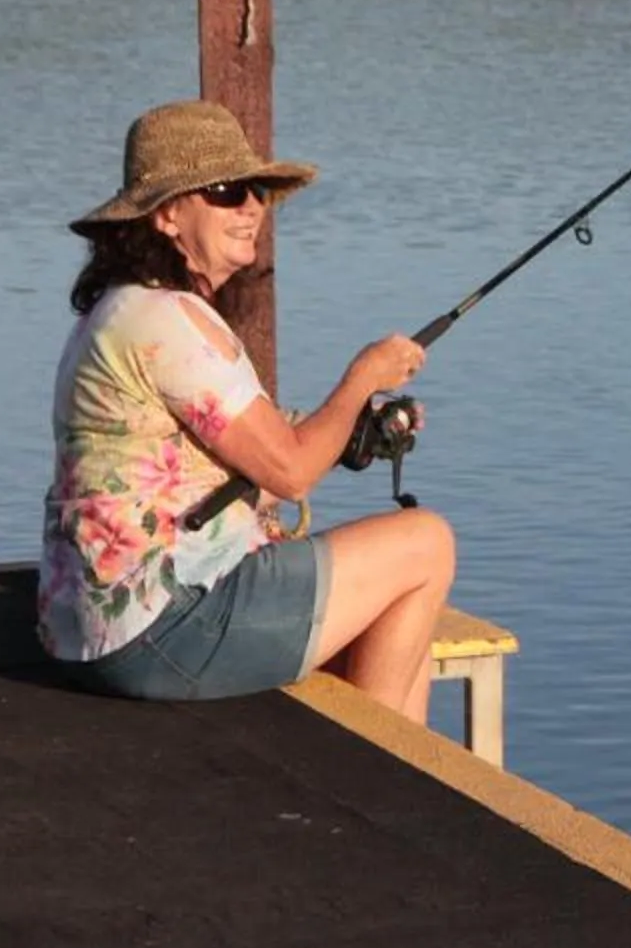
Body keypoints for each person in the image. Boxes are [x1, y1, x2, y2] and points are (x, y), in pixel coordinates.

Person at [41, 99, 456, 723]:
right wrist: (363, 377)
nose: (253, 208)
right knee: (426, 544)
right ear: (168, 215)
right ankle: (385, 780)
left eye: (257, 191)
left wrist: (349, 430)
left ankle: (417, 774)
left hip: (99, 629)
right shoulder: (167, 322)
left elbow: (244, 453)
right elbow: (286, 473)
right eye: (228, 192)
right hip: (162, 627)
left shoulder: (130, 310)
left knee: (400, 611)